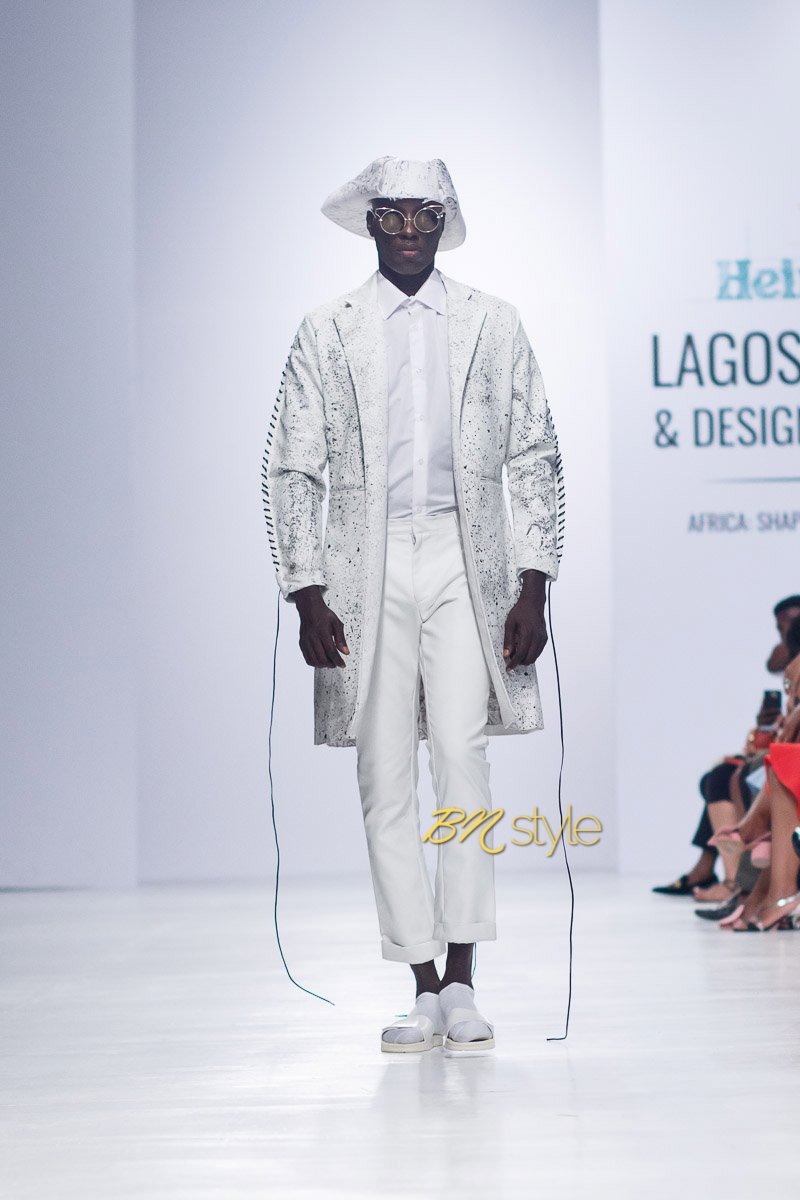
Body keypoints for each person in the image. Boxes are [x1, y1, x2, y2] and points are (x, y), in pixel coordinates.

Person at [262, 156, 564, 1053]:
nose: (406, 231)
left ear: (444, 222)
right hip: (367, 560)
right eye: (391, 214)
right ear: (369, 222)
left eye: (423, 215)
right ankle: (422, 981)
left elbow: (534, 452)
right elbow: (292, 465)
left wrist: (534, 581)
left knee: (463, 758)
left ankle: (464, 978)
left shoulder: (492, 323)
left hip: (468, 556)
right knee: (383, 768)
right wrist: (306, 590)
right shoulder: (327, 329)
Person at [652, 594, 800, 900]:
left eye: (790, 622)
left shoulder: (793, 663)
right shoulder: (790, 663)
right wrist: (768, 728)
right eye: (780, 625)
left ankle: (737, 883)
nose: (785, 629)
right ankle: (720, 871)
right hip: (787, 749)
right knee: (725, 775)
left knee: (730, 777)